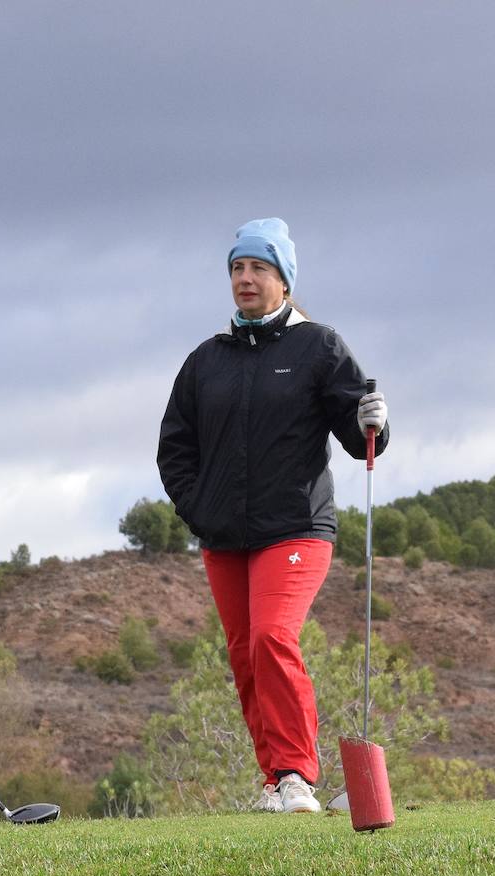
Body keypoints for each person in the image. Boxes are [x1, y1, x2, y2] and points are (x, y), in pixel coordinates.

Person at [157, 218, 388, 813]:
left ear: (284, 279)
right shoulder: (205, 360)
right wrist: (198, 506)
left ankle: (296, 775)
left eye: (259, 268)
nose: (245, 278)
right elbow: (175, 447)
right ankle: (272, 780)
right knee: (243, 653)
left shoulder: (319, 346)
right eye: (237, 268)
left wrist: (374, 423)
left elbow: (357, 433)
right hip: (224, 536)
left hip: (295, 526)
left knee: (272, 636)